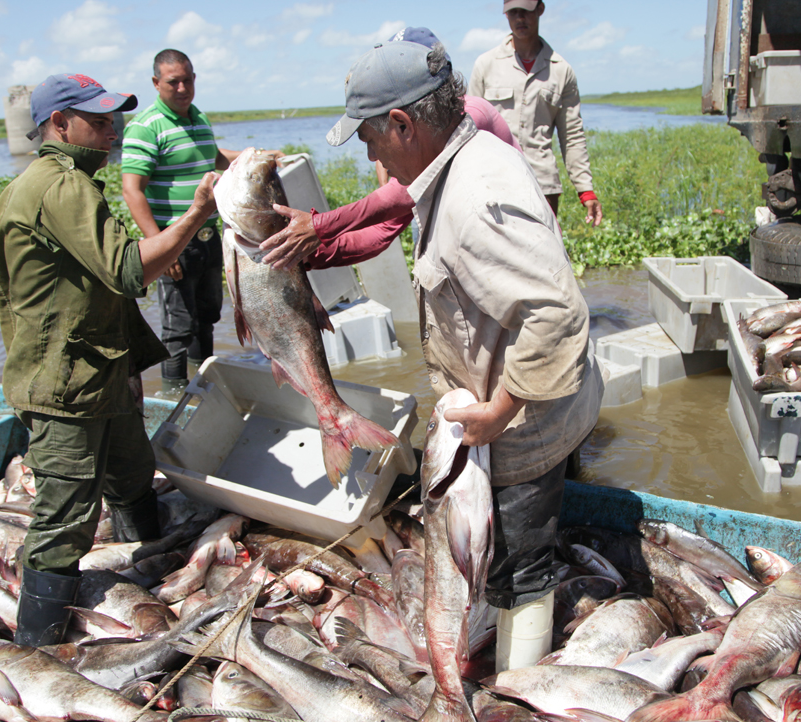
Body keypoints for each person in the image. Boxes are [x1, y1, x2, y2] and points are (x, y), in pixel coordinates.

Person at [324, 40, 603, 671]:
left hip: (529, 419)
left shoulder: (474, 198)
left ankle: (521, 686)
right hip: (523, 401)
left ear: (403, 124)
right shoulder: (463, 151)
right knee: (504, 552)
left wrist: (500, 411)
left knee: (519, 567)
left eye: (369, 137)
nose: (368, 153)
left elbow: (557, 315)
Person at [0, 73, 219, 647]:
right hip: (65, 383)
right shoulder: (57, 185)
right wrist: (195, 214)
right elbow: (126, 270)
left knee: (132, 477)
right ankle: (35, 648)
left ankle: (150, 573)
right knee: (64, 518)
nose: (112, 129)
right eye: (97, 120)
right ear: (57, 124)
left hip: (98, 369)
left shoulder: (66, 182)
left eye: (113, 118)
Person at [258, 27, 522, 271]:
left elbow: (399, 195)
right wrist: (305, 252)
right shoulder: (420, 153)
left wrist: (321, 226)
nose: (373, 157)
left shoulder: (469, 116)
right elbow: (380, 232)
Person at [121, 49, 281, 385]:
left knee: (207, 316)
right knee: (178, 328)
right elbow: (132, 190)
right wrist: (158, 246)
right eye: (173, 82)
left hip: (209, 239)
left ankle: (204, 386)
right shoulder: (145, 127)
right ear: (156, 83)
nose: (182, 88)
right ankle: (176, 394)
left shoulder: (197, 117)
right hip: (174, 240)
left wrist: (259, 157)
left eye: (187, 80)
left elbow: (213, 156)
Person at [470, 0, 604, 226]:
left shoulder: (561, 70)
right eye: (513, 12)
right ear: (505, 15)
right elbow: (468, 129)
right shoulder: (486, 65)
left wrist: (585, 189)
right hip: (493, 182)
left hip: (542, 185)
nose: (519, 18)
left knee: (543, 256)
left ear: (540, 9)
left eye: (526, 11)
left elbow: (571, 135)